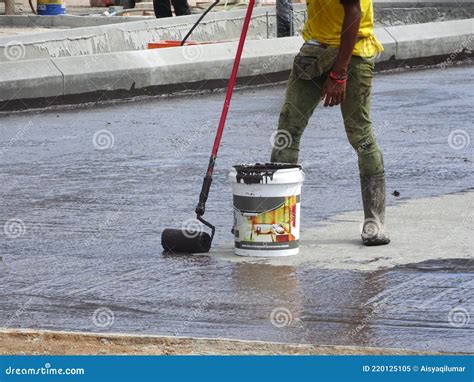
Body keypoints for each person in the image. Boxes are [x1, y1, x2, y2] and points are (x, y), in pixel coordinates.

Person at [270, 0, 390, 246]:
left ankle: (374, 223)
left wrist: (339, 72)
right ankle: (278, 221)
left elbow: (353, 11)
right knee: (287, 132)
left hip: (353, 51)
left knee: (361, 137)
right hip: (315, 49)